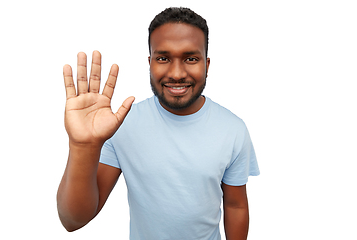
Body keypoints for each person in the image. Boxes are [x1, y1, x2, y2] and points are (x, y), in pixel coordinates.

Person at [57, 7, 260, 240]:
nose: (176, 73)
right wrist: (83, 147)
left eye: (191, 59)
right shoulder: (122, 125)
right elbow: (73, 220)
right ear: (150, 62)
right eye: (163, 58)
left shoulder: (233, 129)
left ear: (207, 64)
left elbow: (236, 206)